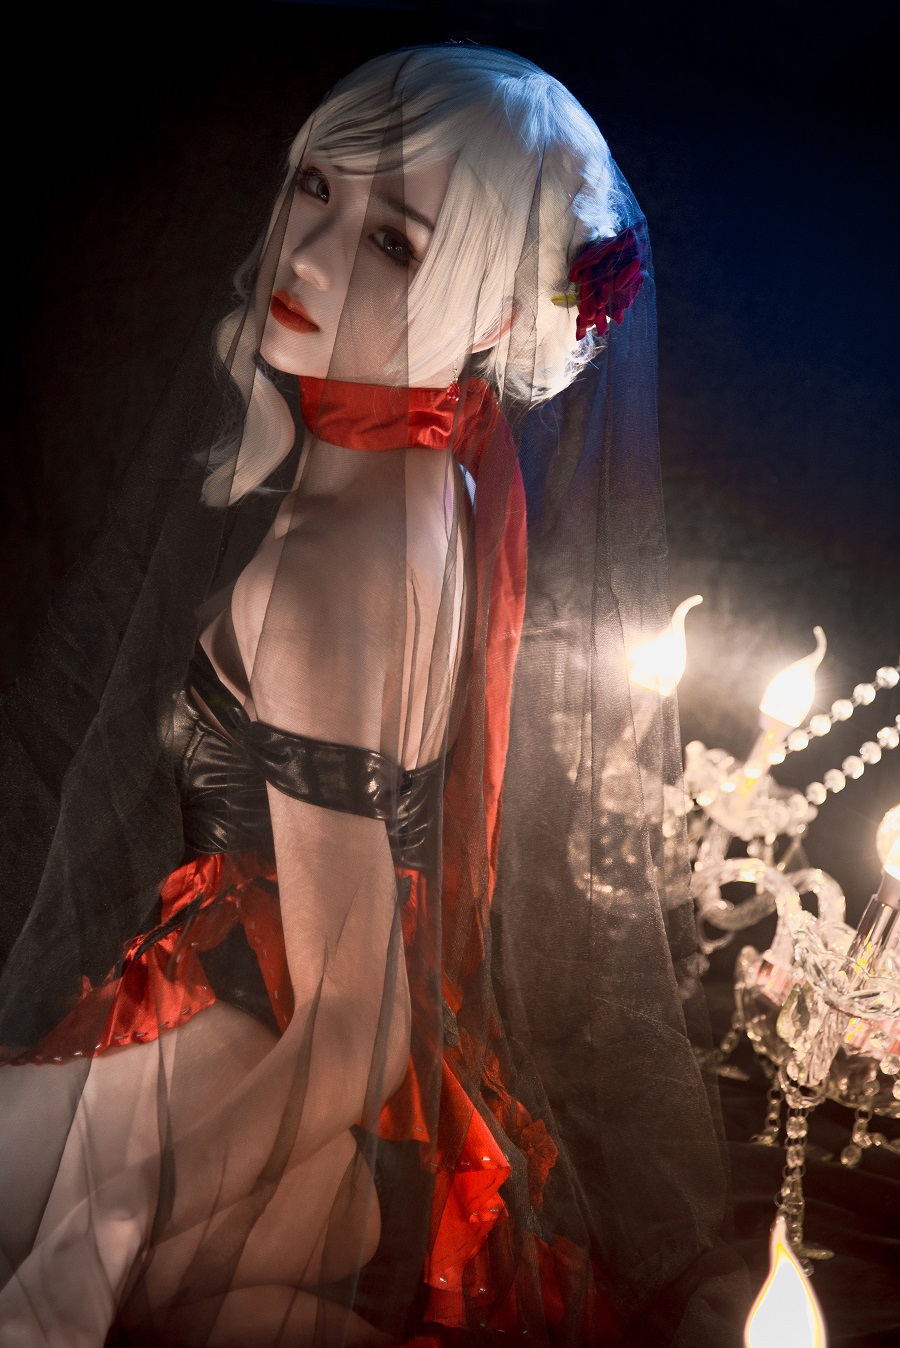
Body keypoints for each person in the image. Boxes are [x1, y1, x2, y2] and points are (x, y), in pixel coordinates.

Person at [0, 45, 745, 1347]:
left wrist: (98, 1231)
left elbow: (357, 1028)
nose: (305, 252)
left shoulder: (334, 564)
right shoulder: (432, 479)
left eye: (394, 242)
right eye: (314, 187)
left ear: (497, 319)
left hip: (259, 1087)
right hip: (233, 1054)